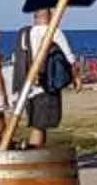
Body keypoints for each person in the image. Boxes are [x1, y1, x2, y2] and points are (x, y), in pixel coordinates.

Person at [14, 15, 76, 148]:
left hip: (28, 85)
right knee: (40, 125)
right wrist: (77, 78)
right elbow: (69, 57)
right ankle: (34, 154)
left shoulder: (25, 34)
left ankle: (36, 151)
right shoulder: (53, 31)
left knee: (37, 122)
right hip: (46, 83)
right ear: (50, 16)